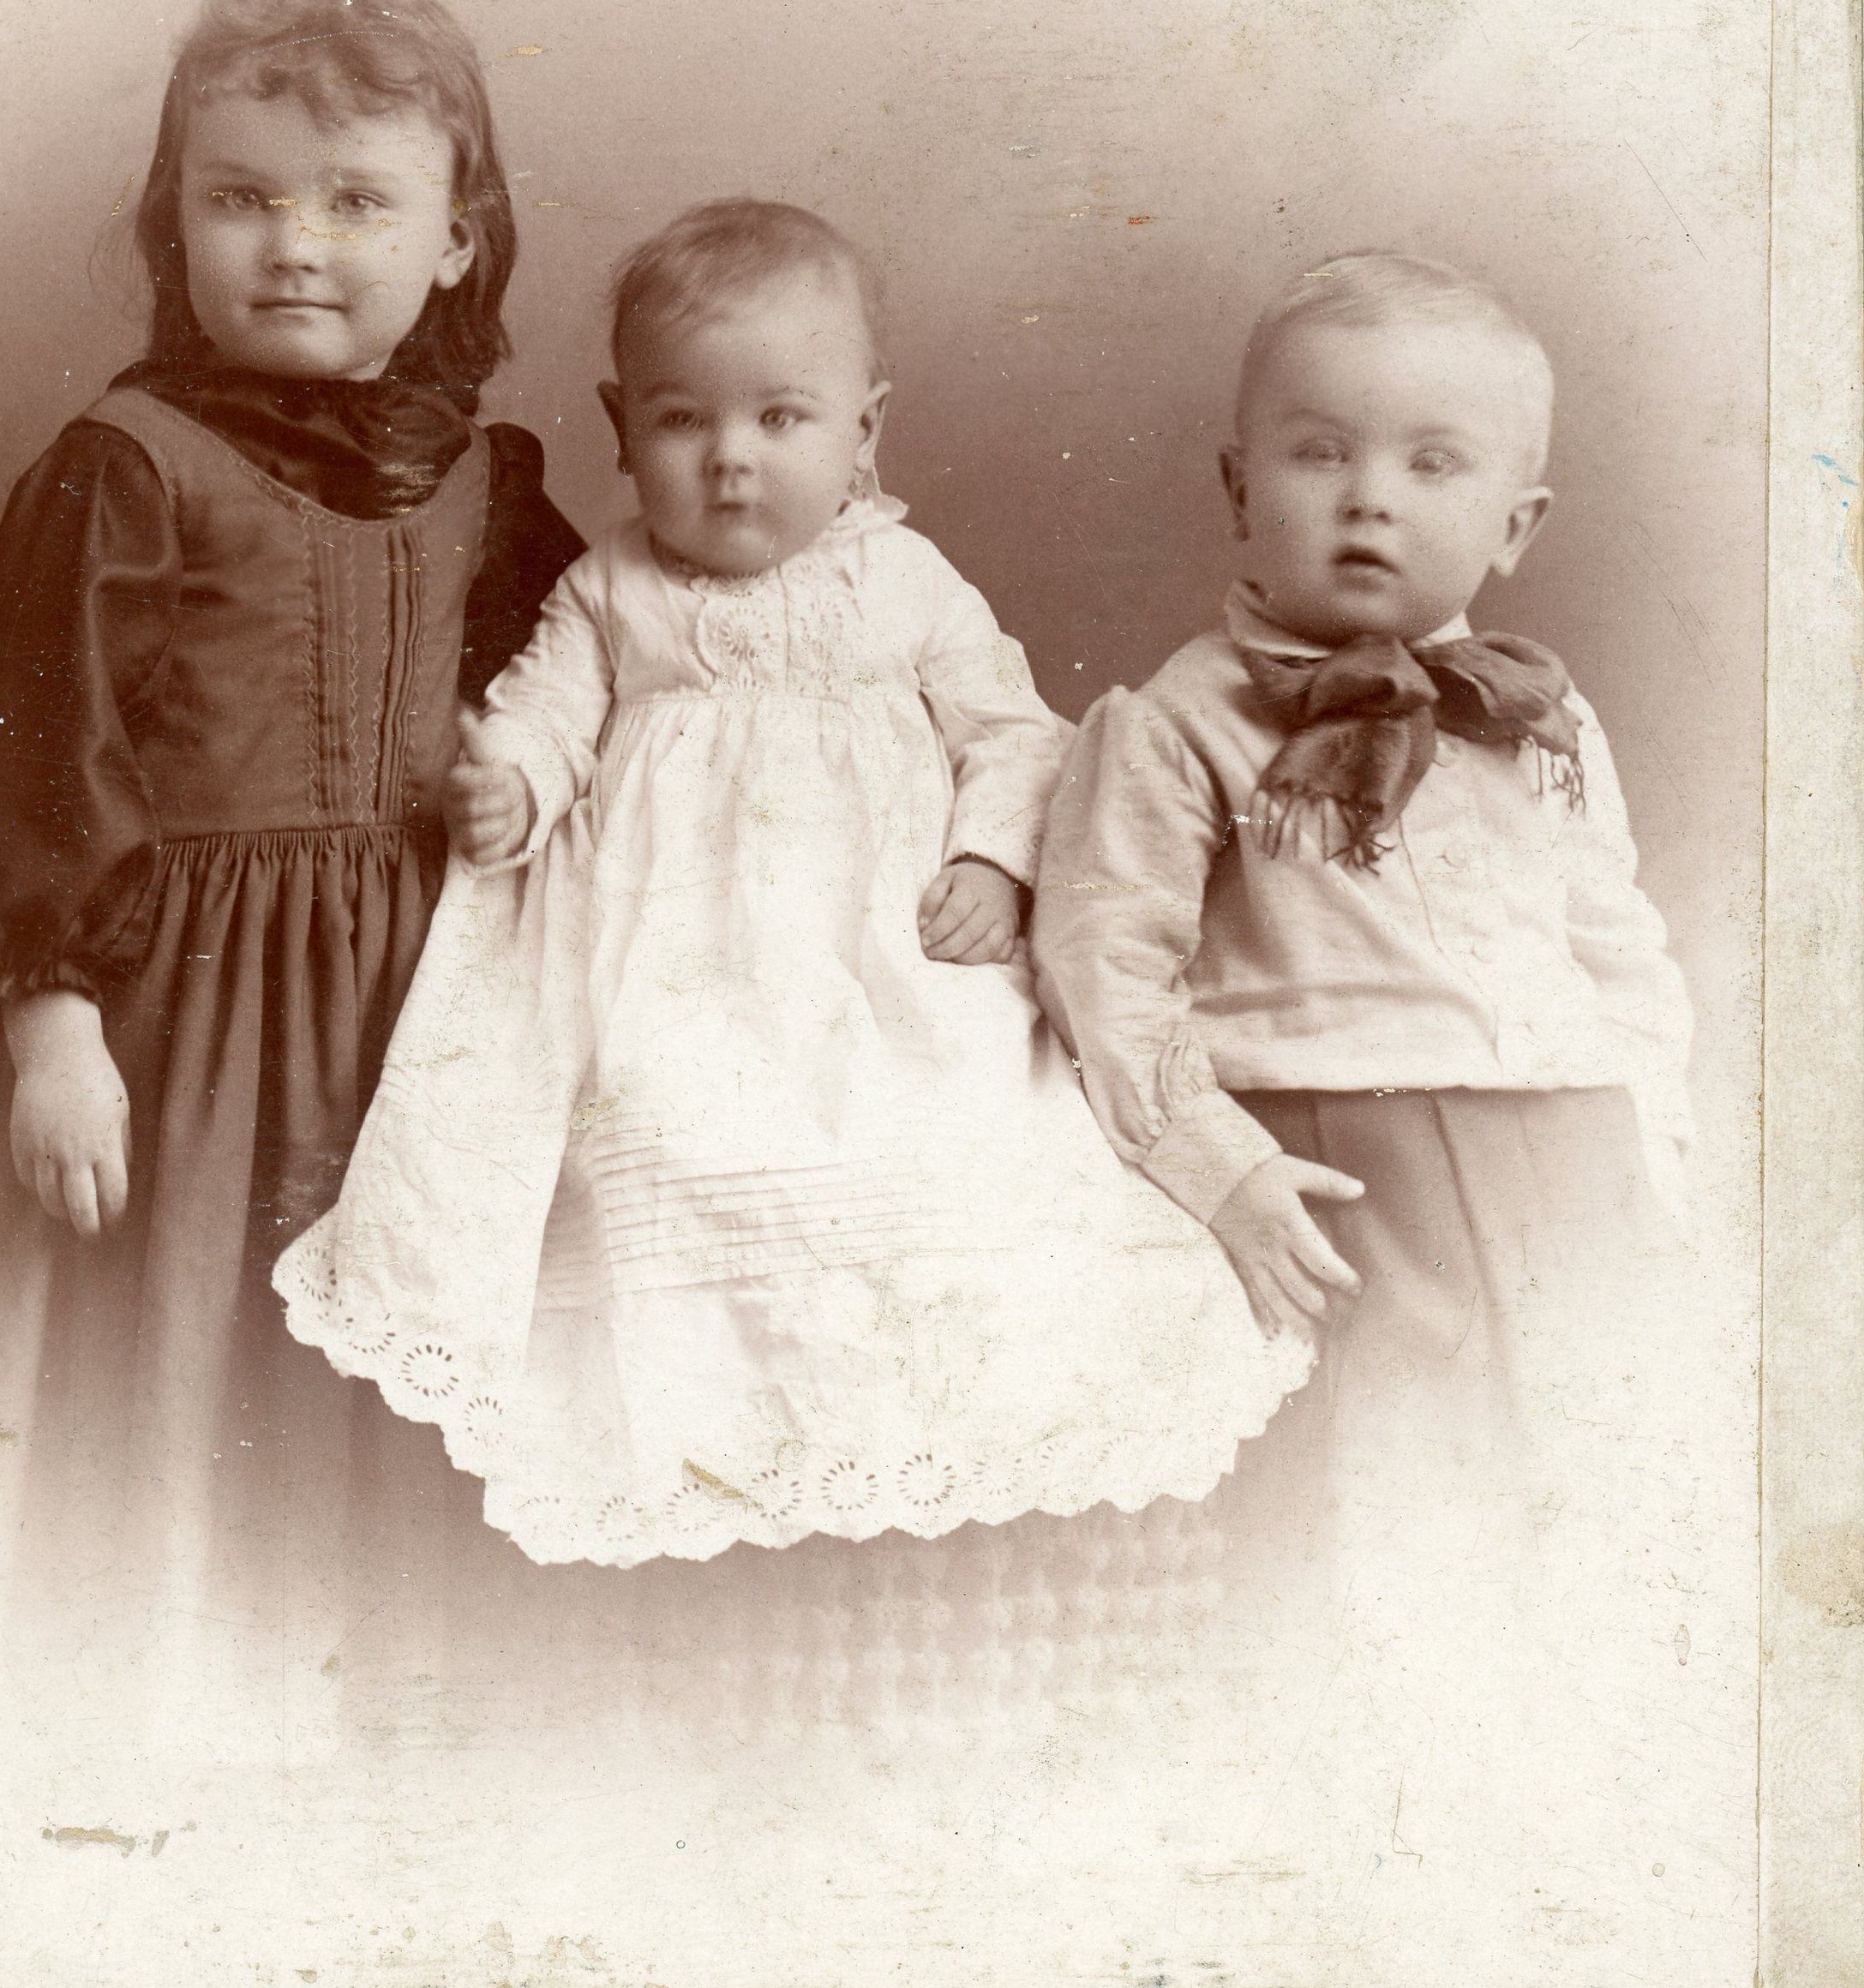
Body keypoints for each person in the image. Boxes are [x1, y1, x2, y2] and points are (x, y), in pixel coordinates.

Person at [275, 199, 1305, 1565]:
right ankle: (712, 1446)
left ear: (864, 430)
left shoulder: (907, 580)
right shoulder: (610, 590)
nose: (730, 460)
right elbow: (545, 715)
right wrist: (513, 781)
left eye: (781, 419)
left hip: (879, 950)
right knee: (662, 1130)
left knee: (962, 1119)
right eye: (682, 420)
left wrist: (992, 859)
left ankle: (915, 1433)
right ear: (620, 426)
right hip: (677, 958)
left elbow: (1013, 734)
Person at [1033, 251, 1750, 1971]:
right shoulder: (1176, 721)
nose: (1369, 498)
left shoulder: (1541, 714)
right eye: (1319, 452)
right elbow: (1107, 966)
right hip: (1343, 1160)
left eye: (1433, 463)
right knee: (1377, 1520)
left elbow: (1614, 934)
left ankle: (1588, 1869)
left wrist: (1659, 1139)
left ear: (1516, 521)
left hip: (1568, 1148)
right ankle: (1365, 1882)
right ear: (1239, 483)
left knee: (1603, 1499)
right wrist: (1221, 1169)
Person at [0, 0, 582, 1688]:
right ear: (176, 220)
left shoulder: (487, 480)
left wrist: (526, 765)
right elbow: (42, 756)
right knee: (186, 1343)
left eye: (357, 200)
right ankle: (173, 1698)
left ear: (456, 239)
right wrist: (54, 1028)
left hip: (419, 1005)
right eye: (242, 197)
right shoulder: (124, 461)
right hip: (179, 1009)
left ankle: (385, 1694)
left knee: (393, 1347)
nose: (294, 243)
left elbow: (582, 692)